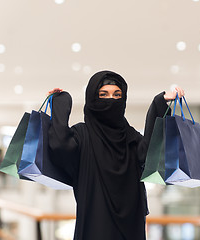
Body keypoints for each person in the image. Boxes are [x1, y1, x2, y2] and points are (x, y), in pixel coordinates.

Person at [47, 70, 184, 240]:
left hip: (130, 224)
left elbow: (150, 151)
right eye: (103, 94)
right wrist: (61, 102)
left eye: (117, 95)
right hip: (95, 224)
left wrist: (160, 104)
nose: (111, 100)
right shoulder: (82, 135)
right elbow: (59, 144)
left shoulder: (129, 136)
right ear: (92, 98)